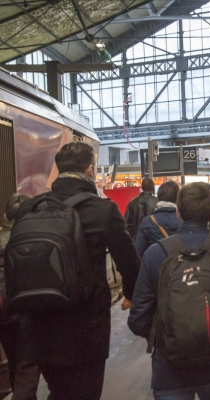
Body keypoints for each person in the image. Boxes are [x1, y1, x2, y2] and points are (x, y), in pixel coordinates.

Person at [13, 142, 139, 400]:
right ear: (90, 170)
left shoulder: (30, 208)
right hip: (85, 325)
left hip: (37, 321)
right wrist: (131, 293)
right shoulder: (102, 210)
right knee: (84, 392)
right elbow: (128, 260)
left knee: (59, 390)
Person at [128, 182, 210, 400]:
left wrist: (167, 339)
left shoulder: (155, 254)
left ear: (178, 212)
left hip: (169, 368)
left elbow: (138, 318)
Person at [0, 194, 40, 400]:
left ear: (5, 215)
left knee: (13, 357)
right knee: (28, 362)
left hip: (2, 307)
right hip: (24, 306)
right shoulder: (31, 238)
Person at [135, 181, 181, 257]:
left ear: (159, 197)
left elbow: (138, 252)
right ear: (178, 198)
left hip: (156, 267)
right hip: (180, 267)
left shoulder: (148, 222)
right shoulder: (185, 221)